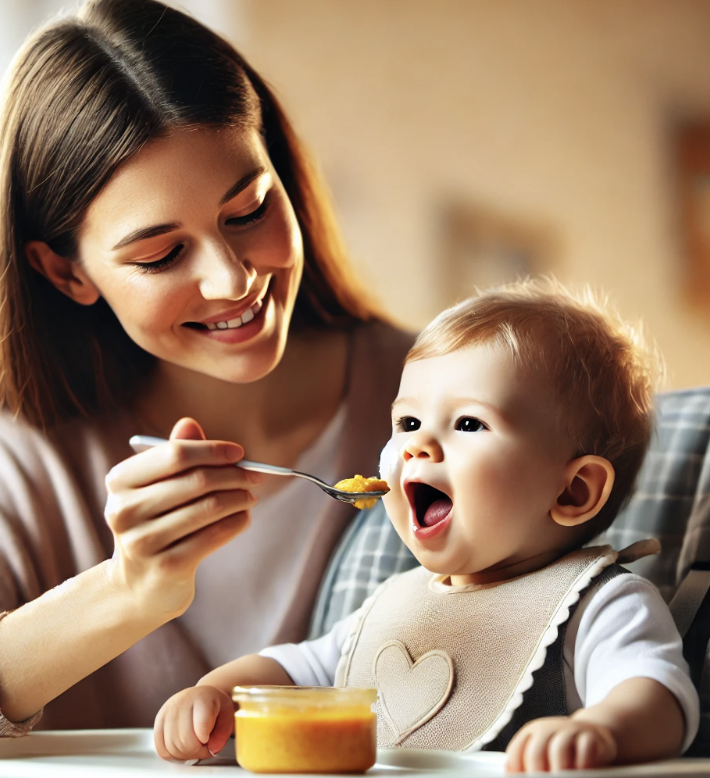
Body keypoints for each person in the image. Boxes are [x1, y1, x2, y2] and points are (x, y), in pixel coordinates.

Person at [0, 0, 413, 736]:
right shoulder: (24, 458)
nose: (233, 281)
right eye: (161, 255)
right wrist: (130, 591)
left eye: (249, 210)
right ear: (66, 274)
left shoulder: (436, 392)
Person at [155, 279, 699, 773]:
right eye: (408, 422)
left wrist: (601, 731)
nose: (417, 444)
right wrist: (218, 696)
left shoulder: (598, 605)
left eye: (468, 423)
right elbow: (294, 672)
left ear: (572, 491)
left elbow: (657, 694)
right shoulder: (392, 605)